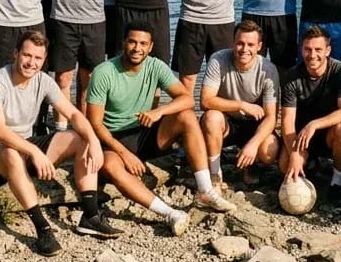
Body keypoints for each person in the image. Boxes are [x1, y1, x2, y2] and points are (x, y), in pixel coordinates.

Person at [0, 31, 123, 256]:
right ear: (16, 54)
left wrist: (93, 140)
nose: (31, 63)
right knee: (11, 153)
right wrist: (34, 151)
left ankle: (90, 216)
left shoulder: (43, 80)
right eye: (27, 55)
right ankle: (42, 228)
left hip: (25, 145)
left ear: (44, 61)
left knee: (80, 137)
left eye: (37, 58)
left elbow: (73, 114)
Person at [86, 21, 237, 235]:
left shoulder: (155, 66)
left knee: (185, 116)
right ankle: (169, 213)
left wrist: (159, 112)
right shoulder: (104, 71)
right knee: (111, 167)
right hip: (112, 139)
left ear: (150, 46)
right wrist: (124, 153)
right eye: (132, 42)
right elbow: (94, 123)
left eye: (143, 44)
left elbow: (187, 99)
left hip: (144, 131)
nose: (137, 48)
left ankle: (205, 190)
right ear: (123, 43)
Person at [197, 20, 280, 188]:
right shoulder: (218, 59)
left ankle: (251, 165)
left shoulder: (268, 69)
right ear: (233, 42)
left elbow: (271, 117)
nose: (244, 49)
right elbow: (205, 101)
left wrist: (253, 144)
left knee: (269, 152)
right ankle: (215, 173)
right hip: (225, 123)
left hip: (252, 124)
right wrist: (241, 105)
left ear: (259, 46)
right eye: (240, 43)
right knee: (212, 117)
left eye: (250, 44)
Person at [278, 26, 341, 205]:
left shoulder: (340, 70)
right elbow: (287, 121)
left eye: (318, 49)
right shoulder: (291, 76)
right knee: (284, 165)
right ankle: (310, 164)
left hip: (328, 133)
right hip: (303, 136)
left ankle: (338, 181)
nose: (312, 55)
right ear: (301, 50)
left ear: (327, 50)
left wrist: (315, 124)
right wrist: (295, 153)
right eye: (307, 49)